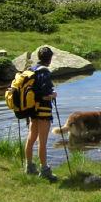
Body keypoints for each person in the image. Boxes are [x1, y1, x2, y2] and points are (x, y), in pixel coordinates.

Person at [24, 46, 58, 182]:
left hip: (32, 110)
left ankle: (29, 166)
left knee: (31, 138)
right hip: (43, 111)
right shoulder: (45, 72)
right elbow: (44, 93)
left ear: (38, 57)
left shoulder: (31, 70)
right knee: (42, 141)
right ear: (49, 59)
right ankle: (44, 170)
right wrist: (52, 95)